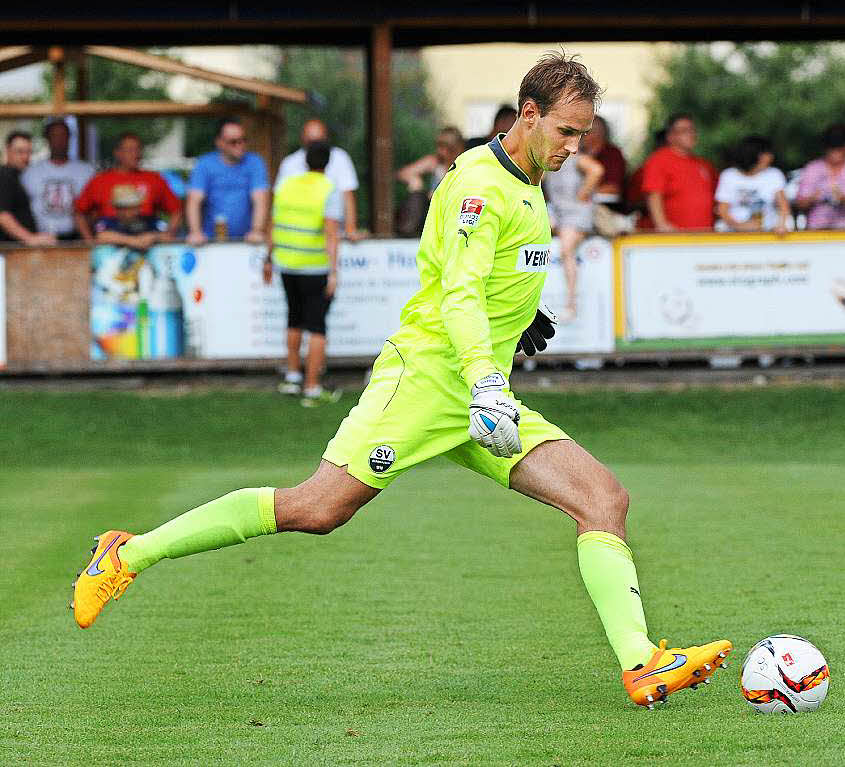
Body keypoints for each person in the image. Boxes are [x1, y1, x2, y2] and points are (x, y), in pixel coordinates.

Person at [70, 52, 731, 710]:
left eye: (582, 134)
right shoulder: (481, 185)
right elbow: (460, 293)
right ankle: (127, 553)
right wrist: (483, 378)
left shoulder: (530, 180)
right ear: (529, 114)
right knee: (317, 508)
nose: (572, 146)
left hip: (480, 393)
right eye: (565, 130)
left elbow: (488, 280)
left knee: (604, 499)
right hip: (430, 381)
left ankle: (640, 663)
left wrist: (522, 315)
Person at [264, 141, 342, 408]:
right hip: (314, 265)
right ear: (328, 162)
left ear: (304, 160)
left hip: (286, 262)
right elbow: (331, 233)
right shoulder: (329, 189)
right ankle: (312, 388)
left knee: (294, 319)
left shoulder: (286, 185)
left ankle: (293, 376)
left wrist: (267, 257)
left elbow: (272, 224)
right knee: (317, 325)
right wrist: (334, 271)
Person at [74, 132, 181, 243]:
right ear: (118, 153)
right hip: (111, 242)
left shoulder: (154, 179)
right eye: (130, 150)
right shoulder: (100, 180)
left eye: (138, 149)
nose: (136, 154)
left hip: (146, 240)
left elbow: (176, 211)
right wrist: (89, 242)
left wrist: (163, 236)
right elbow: (79, 212)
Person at [186, 117, 269, 245]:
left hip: (245, 241)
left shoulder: (255, 162)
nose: (240, 145)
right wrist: (195, 231)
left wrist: (257, 230)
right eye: (233, 142)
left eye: (243, 140)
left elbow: (260, 198)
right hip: (210, 241)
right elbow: (194, 200)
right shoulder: (204, 164)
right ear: (219, 142)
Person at [274, 118, 359, 241]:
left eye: (319, 142)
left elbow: (348, 196)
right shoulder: (290, 163)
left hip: (334, 233)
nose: (316, 147)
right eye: (311, 142)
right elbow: (278, 204)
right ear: (302, 140)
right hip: (298, 236)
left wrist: (350, 230)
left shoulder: (340, 158)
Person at [543, 150, 603, 321]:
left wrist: (583, 192)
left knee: (566, 249)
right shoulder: (548, 161)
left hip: (576, 213)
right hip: (558, 213)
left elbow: (597, 170)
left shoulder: (576, 159)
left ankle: (571, 304)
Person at [638, 114, 716, 232]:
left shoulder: (703, 164)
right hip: (675, 238)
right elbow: (653, 194)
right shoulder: (659, 160)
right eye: (684, 131)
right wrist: (662, 224)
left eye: (692, 130)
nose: (691, 134)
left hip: (704, 235)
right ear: (670, 136)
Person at [21, 118, 94, 240]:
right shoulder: (30, 172)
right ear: (47, 139)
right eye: (54, 136)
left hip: (78, 238)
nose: (59, 140)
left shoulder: (86, 171)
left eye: (63, 136)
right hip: (42, 239)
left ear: (69, 138)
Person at [795, 123, 845, 230]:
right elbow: (798, 205)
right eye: (831, 147)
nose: (835, 152)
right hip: (817, 235)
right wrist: (813, 198)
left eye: (839, 148)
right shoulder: (812, 169)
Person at [395, 126, 464, 236]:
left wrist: (438, 194)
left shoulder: (463, 165)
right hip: (430, 211)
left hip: (453, 212)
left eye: (445, 147)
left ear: (456, 148)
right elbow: (402, 173)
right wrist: (415, 180)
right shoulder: (434, 162)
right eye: (439, 146)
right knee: (416, 188)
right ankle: (407, 231)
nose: (440, 151)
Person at [715, 135, 790, 234]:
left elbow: (783, 205)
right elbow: (722, 210)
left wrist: (781, 225)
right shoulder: (729, 175)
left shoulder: (774, 174)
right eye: (766, 153)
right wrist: (739, 226)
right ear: (755, 154)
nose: (771, 157)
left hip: (766, 234)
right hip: (733, 235)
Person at [0, 131, 55, 246]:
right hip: (9, 253)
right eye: (19, 152)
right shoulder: (4, 176)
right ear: (7, 151)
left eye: (28, 152)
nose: (25, 157)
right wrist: (29, 238)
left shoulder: (17, 176)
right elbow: (3, 216)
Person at [94, 184, 168, 252]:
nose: (135, 211)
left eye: (135, 206)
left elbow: (168, 235)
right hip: (117, 259)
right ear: (117, 209)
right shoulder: (108, 221)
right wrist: (132, 241)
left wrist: (154, 236)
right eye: (126, 207)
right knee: (103, 251)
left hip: (147, 258)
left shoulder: (150, 220)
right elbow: (101, 236)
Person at [583, 115, 627, 207]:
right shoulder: (578, 152)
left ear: (597, 134)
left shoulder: (613, 154)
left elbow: (613, 188)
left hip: (605, 208)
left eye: (584, 132)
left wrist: (583, 193)